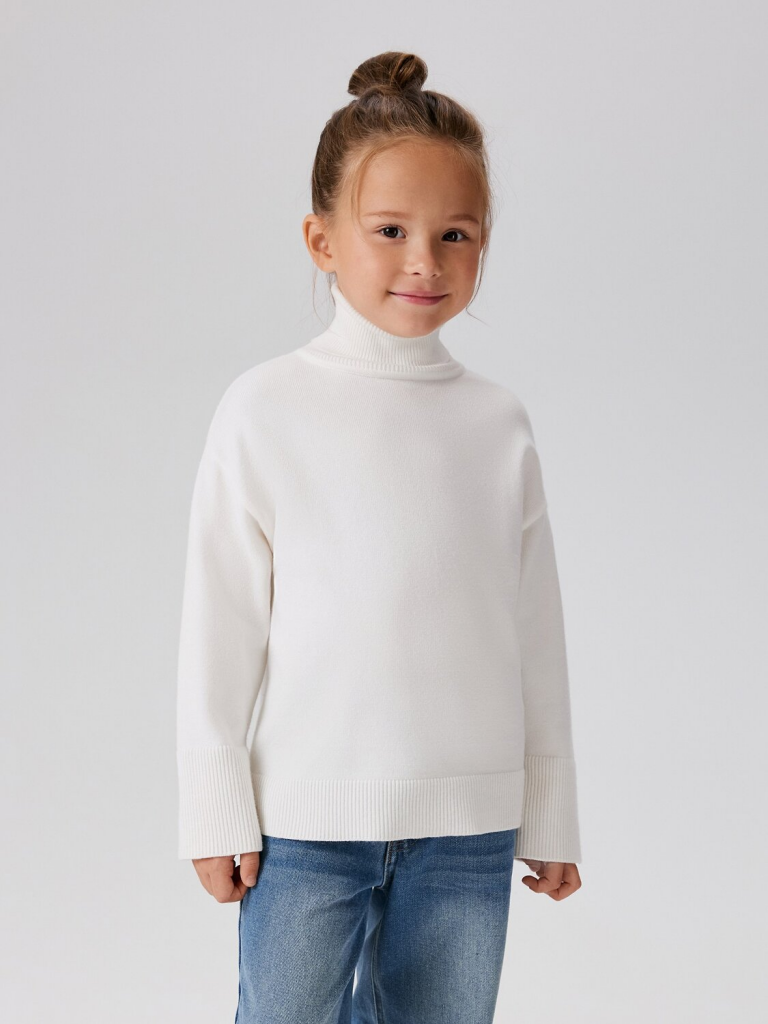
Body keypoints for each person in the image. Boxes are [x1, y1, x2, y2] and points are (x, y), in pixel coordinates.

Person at [176, 50, 583, 1024]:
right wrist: (215, 805)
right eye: (391, 230)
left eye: (456, 234)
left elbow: (535, 631)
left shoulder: (498, 423)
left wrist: (551, 810)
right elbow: (221, 626)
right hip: (304, 825)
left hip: (470, 828)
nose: (425, 261)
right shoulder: (265, 408)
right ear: (321, 240)